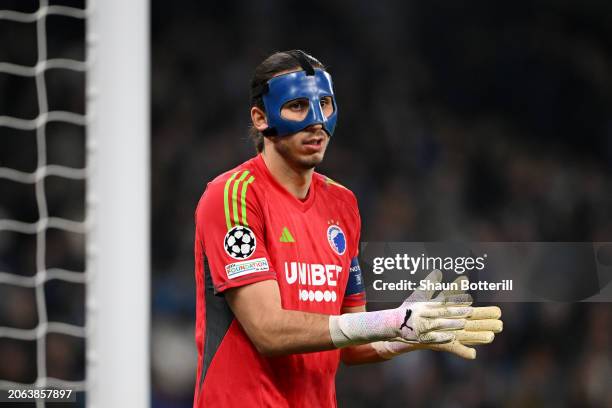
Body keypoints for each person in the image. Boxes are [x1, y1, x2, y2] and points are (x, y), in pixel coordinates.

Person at [193, 50, 502, 407]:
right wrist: (388, 321)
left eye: (324, 104)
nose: (316, 122)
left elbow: (350, 337)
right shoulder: (233, 195)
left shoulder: (343, 204)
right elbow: (267, 330)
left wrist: (406, 334)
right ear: (261, 118)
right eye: (297, 106)